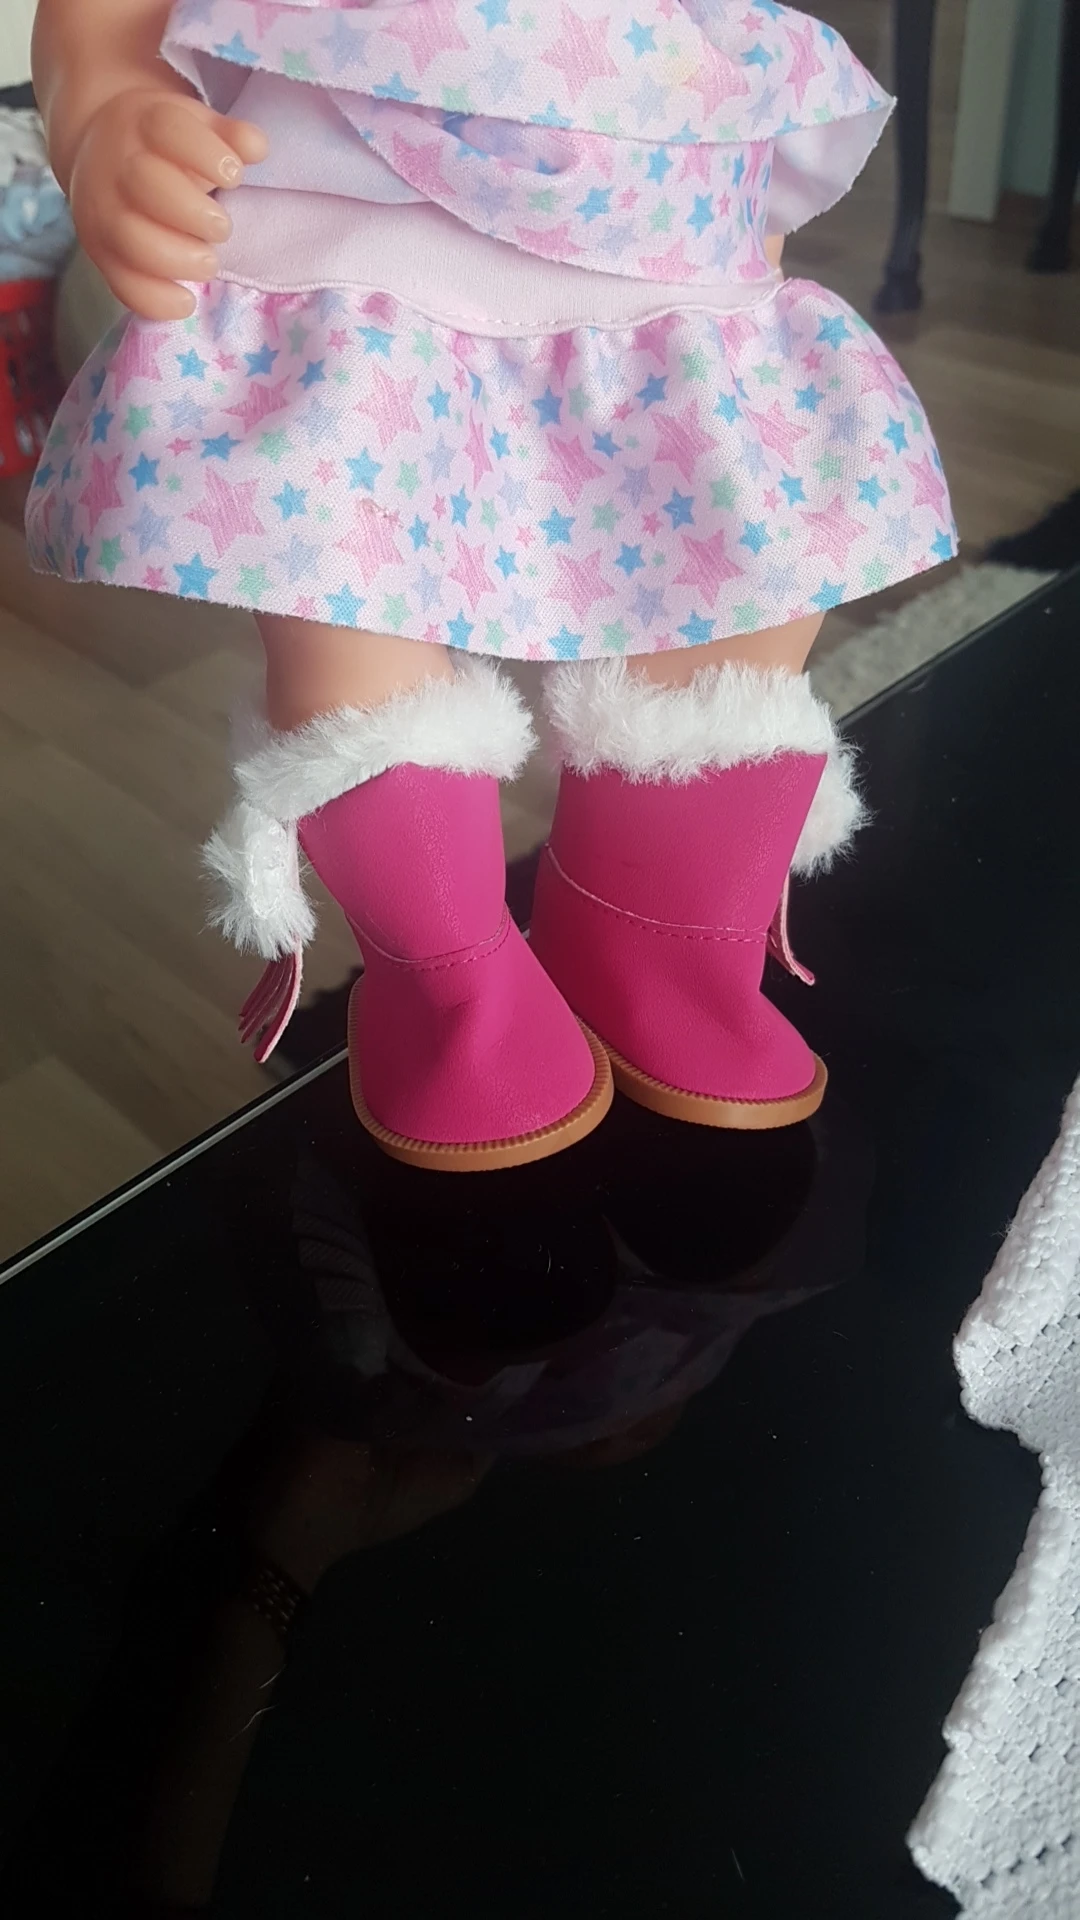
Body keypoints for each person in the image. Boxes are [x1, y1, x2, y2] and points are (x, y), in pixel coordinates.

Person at [28, 0, 956, 1169]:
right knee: (355, 636)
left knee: (740, 593)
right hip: (354, 246)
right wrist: (106, 108)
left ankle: (662, 936)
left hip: (667, 221)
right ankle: (447, 982)